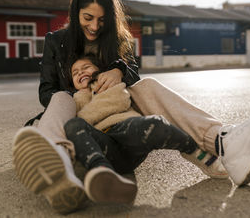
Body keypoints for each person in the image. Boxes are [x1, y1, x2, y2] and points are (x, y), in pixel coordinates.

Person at [12, 0, 250, 214]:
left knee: (147, 86)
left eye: (102, 19)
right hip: (78, 124)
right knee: (60, 97)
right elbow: (45, 92)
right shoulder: (55, 41)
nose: (95, 26)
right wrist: (81, 93)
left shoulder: (117, 39)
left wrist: (119, 70)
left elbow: (134, 75)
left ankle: (223, 141)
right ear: (75, 13)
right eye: (88, 18)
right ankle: (58, 164)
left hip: (122, 126)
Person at [64, 54, 226, 204]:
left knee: (155, 124)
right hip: (106, 147)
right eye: (75, 72)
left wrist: (86, 116)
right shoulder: (73, 99)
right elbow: (75, 124)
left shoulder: (106, 83)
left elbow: (117, 101)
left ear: (98, 70)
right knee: (72, 126)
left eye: (86, 67)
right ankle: (102, 172)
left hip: (129, 131)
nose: (81, 72)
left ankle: (196, 152)